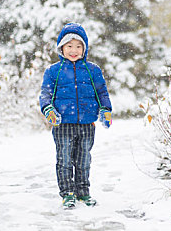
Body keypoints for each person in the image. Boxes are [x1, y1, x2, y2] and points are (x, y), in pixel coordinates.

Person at [39, 23, 112, 209]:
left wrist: (106, 109)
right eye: (69, 46)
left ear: (84, 48)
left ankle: (83, 192)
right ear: (61, 47)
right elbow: (45, 94)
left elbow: (101, 92)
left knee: (83, 160)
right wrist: (48, 109)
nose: (74, 50)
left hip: (87, 123)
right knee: (64, 159)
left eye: (78, 46)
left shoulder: (92, 70)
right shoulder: (53, 71)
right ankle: (67, 193)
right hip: (62, 124)